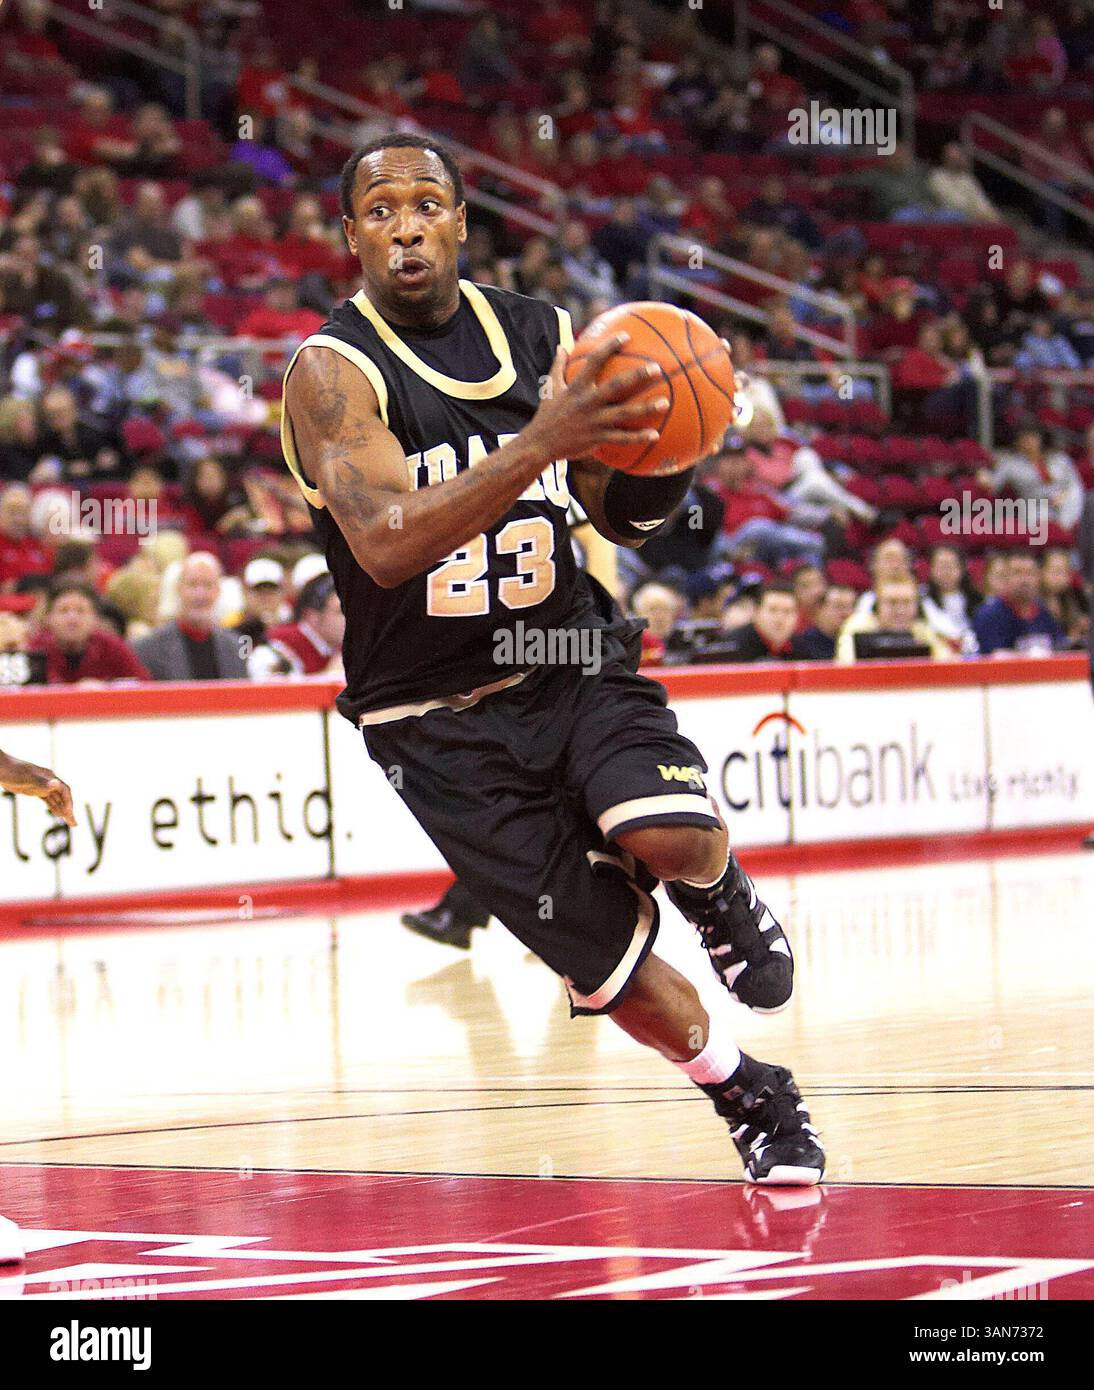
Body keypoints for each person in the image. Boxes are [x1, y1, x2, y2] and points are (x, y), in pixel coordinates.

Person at [280, 133, 823, 1184]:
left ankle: (717, 887)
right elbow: (385, 542)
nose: (405, 227)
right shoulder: (330, 372)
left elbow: (618, 516)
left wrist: (677, 438)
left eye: (425, 204)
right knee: (610, 966)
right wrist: (535, 442)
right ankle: (748, 1092)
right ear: (350, 235)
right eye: (380, 210)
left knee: (667, 833)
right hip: (427, 718)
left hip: (567, 656)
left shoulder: (544, 334)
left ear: (459, 222)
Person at [133, 552, 249, 680]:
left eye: (208, 585)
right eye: (192, 584)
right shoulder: (147, 648)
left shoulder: (235, 646)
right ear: (178, 589)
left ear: (218, 591)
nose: (200, 595)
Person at [29, 580, 150, 684]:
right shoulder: (36, 649)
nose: (72, 619)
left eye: (81, 611)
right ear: (48, 618)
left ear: (95, 618)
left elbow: (143, 684)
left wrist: (105, 687)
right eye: (63, 611)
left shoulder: (111, 646)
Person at [248, 571, 345, 678]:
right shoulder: (278, 645)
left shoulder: (340, 647)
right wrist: (329, 676)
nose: (349, 619)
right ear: (313, 616)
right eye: (340, 612)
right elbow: (270, 686)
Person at [838, 577, 954, 662]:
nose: (900, 610)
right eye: (892, 602)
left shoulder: (923, 631)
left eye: (907, 602)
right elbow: (846, 666)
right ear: (877, 606)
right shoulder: (858, 627)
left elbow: (947, 663)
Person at [973, 551, 1066, 655]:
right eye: (1017, 573)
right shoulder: (989, 615)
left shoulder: (1044, 613)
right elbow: (992, 655)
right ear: (1005, 578)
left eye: (1030, 573)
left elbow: (1060, 647)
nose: (1024, 580)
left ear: (1038, 578)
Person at [723, 582, 812, 661]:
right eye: (773, 610)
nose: (780, 618)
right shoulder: (732, 647)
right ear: (756, 612)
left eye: (787, 611)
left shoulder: (804, 650)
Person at [796, 583, 856, 660]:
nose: (846, 613)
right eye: (839, 606)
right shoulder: (802, 645)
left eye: (851, 606)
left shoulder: (858, 642)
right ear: (820, 608)